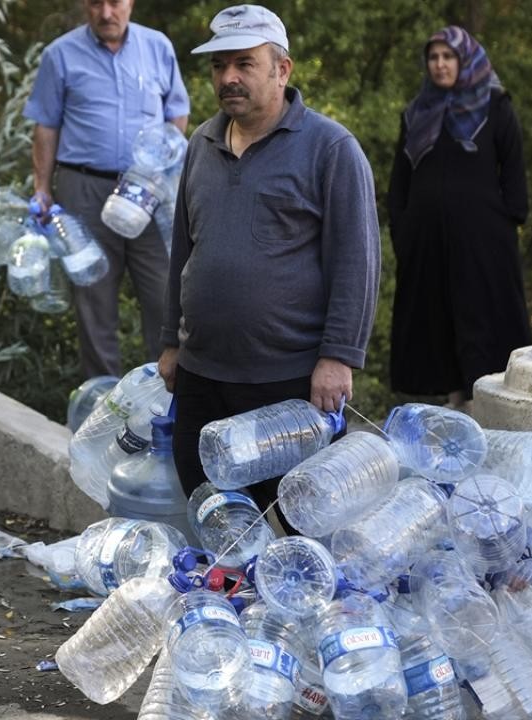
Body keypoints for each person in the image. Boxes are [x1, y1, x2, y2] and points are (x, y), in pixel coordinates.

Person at [158, 5, 381, 523]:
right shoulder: (202, 144)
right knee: (214, 512)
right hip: (202, 373)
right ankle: (234, 599)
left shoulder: (331, 148)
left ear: (282, 69)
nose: (228, 77)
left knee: (302, 519)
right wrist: (172, 341)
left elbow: (357, 261)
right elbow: (183, 250)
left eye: (244, 63)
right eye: (218, 66)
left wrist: (338, 356)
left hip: (288, 381)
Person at [23, 0, 190, 379]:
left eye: (115, 2)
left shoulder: (158, 47)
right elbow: (45, 127)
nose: (106, 12)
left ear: (130, 3)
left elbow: (177, 112)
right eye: (96, 2)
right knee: (93, 303)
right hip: (84, 189)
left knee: (166, 296)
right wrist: (42, 189)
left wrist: (161, 167)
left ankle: (166, 404)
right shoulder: (59, 54)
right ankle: (103, 407)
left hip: (146, 192)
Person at [387, 26, 532, 414]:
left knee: (482, 318)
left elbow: (514, 172)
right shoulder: (416, 112)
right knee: (437, 320)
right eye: (433, 58)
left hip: (482, 240)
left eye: (448, 57)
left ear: (466, 60)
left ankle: (485, 410)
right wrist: (403, 230)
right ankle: (451, 412)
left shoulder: (495, 107)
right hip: (426, 242)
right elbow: (400, 180)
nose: (439, 65)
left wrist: (507, 220)